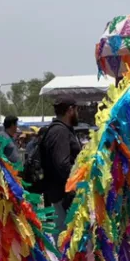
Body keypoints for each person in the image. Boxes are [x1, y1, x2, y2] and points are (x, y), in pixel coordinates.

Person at [40, 98, 82, 232]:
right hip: (65, 193)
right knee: (67, 234)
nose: (77, 113)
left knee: (64, 233)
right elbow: (62, 164)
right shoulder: (60, 132)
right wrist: (77, 184)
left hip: (62, 192)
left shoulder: (61, 130)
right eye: (76, 110)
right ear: (70, 110)